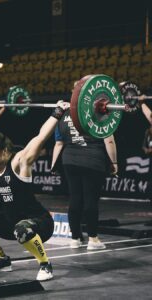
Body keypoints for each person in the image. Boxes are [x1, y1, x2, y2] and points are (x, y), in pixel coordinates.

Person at [0, 100, 70, 281]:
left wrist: (58, 112)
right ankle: (1, 260)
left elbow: (41, 137)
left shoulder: (20, 162)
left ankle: (45, 264)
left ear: (4, 151)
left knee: (21, 229)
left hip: (39, 223)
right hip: (9, 221)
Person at [51, 85, 118, 251]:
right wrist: (114, 162)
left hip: (69, 160)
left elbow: (59, 143)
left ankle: (75, 238)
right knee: (90, 200)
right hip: (92, 160)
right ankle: (93, 239)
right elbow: (108, 140)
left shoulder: (63, 112)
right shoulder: (99, 111)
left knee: (75, 198)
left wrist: (53, 164)